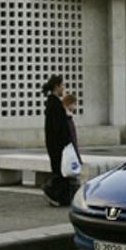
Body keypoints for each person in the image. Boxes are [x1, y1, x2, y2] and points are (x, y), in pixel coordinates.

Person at [42, 75, 73, 206]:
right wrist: (67, 141)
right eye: (62, 86)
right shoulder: (54, 103)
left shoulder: (53, 102)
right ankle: (52, 193)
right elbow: (58, 127)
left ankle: (60, 197)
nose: (63, 88)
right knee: (60, 172)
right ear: (56, 86)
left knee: (60, 171)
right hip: (58, 145)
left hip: (55, 144)